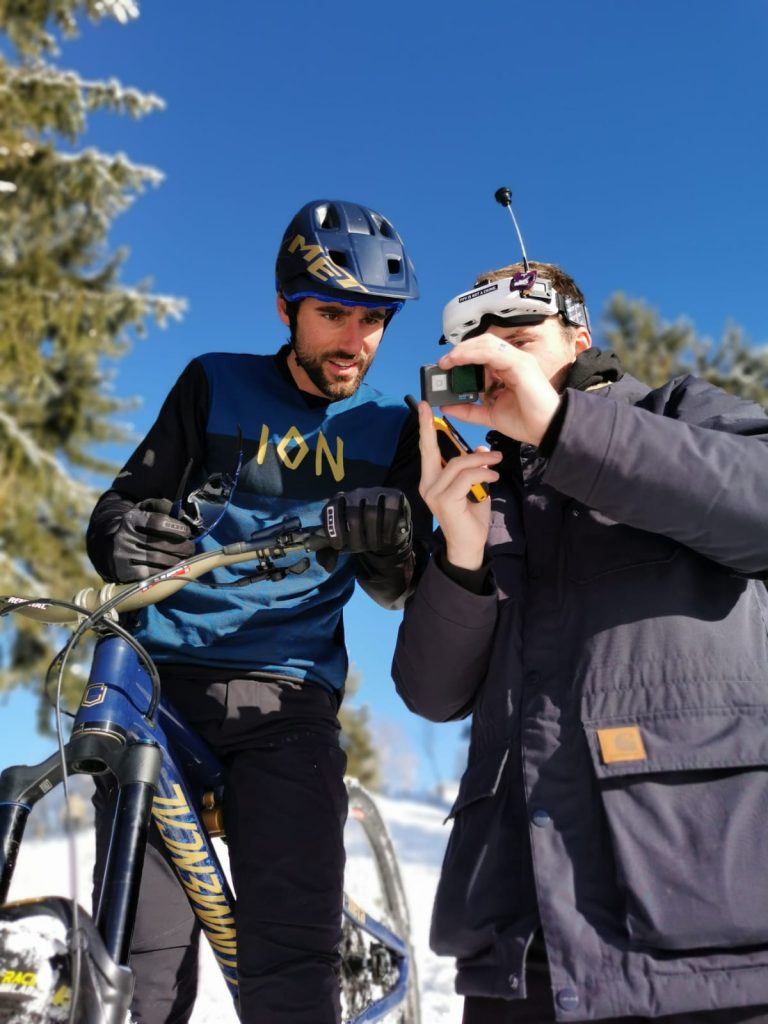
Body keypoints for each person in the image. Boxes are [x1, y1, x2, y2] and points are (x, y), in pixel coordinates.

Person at [392, 259, 768, 1023]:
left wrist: (565, 430)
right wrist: (461, 552)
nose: (502, 363)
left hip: (705, 936)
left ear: (579, 337)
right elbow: (430, 694)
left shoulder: (675, 413)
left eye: (521, 339)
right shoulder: (484, 490)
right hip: (516, 952)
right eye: (482, 352)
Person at [86, 198, 431, 1024]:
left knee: (290, 970)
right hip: (161, 687)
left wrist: (392, 542)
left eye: (374, 320)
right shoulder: (213, 383)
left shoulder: (395, 426)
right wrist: (122, 539)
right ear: (286, 309)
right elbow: (117, 510)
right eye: (333, 314)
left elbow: (398, 587)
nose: (356, 340)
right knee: (139, 971)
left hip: (287, 695)